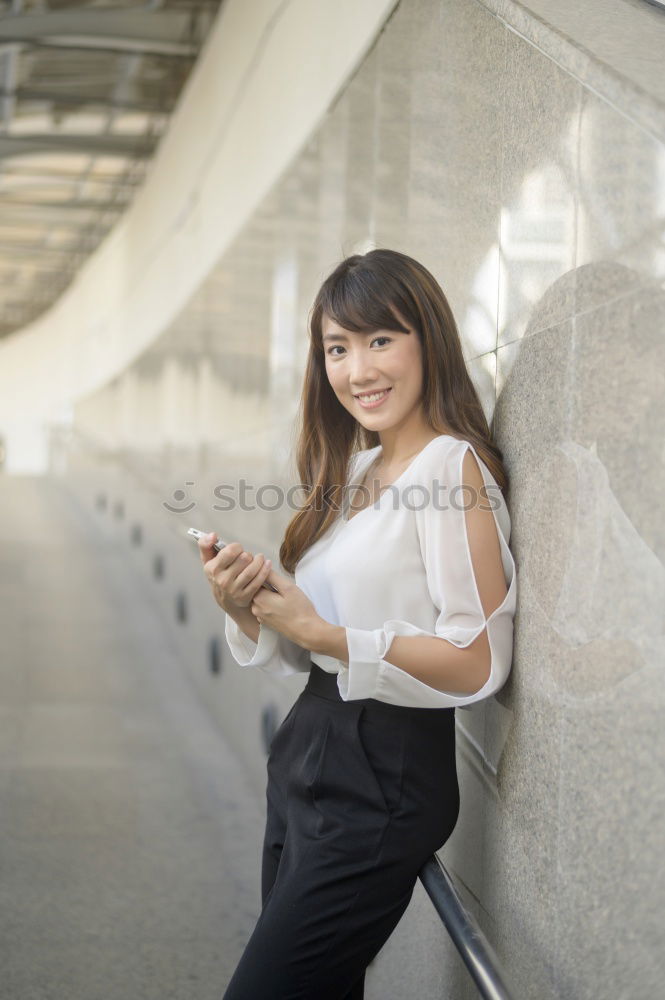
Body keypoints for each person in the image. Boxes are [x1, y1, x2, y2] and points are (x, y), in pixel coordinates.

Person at [197, 248, 517, 999]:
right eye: (337, 348)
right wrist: (246, 609)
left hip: (384, 776)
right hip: (308, 754)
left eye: (380, 340)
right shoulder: (356, 474)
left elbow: (476, 663)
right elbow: (315, 641)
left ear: (427, 341)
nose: (357, 369)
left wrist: (324, 637)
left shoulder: (451, 469)